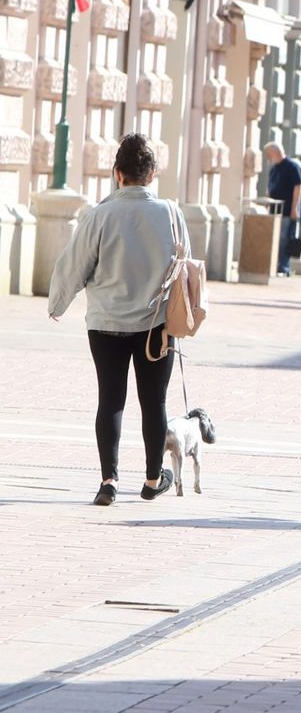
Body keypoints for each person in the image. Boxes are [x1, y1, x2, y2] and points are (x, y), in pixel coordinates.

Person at [48, 133, 188, 506]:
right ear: (152, 174)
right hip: (155, 327)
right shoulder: (170, 213)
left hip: (105, 322)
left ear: (117, 173)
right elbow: (184, 265)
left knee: (110, 399)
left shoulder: (100, 215)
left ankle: (108, 480)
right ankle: (152, 478)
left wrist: (58, 304)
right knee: (153, 402)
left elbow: (74, 264)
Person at [264, 142, 301, 277]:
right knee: (275, 238)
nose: (268, 158)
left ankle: (284, 267)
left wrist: (294, 208)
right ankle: (275, 265)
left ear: (275, 153)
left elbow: (298, 187)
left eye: (269, 155)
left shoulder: (292, 166)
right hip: (274, 210)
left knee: (284, 239)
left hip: (287, 209)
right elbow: (270, 186)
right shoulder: (274, 168)